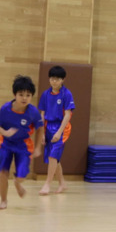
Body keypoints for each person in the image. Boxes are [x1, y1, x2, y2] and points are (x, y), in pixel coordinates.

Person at [0, 75, 44, 210]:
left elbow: (40, 129)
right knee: (3, 173)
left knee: (22, 175)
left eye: (28, 95)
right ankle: (3, 201)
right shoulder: (5, 109)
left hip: (23, 146)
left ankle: (18, 183)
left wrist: (38, 147)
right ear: (15, 94)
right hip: (6, 144)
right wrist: (6, 133)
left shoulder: (33, 112)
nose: (24, 98)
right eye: (21, 94)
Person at [37, 65, 75, 195]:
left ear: (63, 80)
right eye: (52, 79)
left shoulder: (66, 94)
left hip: (61, 128)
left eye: (58, 79)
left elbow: (68, 114)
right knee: (53, 158)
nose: (54, 81)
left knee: (53, 156)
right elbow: (42, 114)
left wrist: (59, 132)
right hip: (48, 127)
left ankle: (47, 184)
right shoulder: (45, 94)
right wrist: (42, 133)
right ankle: (62, 183)